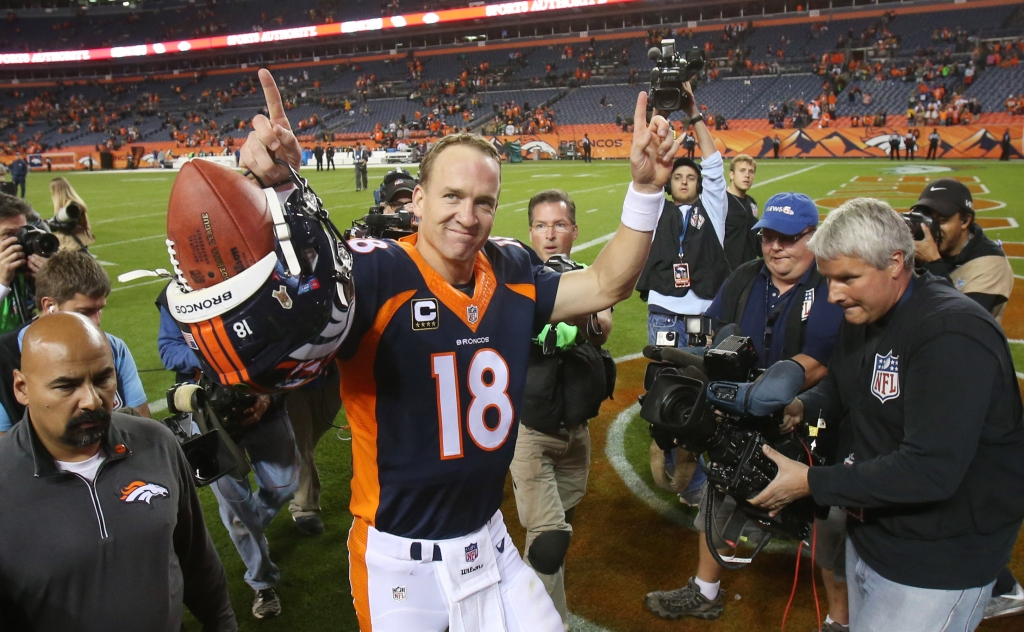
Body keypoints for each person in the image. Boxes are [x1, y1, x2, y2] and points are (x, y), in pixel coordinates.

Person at [237, 67, 677, 632]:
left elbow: (604, 285)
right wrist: (276, 186)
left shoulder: (512, 267)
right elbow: (286, 308)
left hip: (488, 540)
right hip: (400, 556)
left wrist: (644, 189)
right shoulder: (375, 272)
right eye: (451, 196)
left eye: (483, 202)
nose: (467, 217)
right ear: (417, 200)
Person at [750, 198, 1024, 632]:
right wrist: (802, 407)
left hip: (939, 557)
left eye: (847, 278)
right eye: (827, 279)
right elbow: (843, 389)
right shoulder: (867, 312)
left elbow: (930, 469)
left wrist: (810, 483)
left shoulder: (952, 334)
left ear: (896, 262)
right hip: (876, 531)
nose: (833, 294)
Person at [644, 193, 847, 630]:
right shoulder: (743, 277)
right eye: (768, 237)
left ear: (814, 237)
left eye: (789, 238)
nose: (776, 247)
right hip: (744, 418)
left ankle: (839, 620)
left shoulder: (831, 285)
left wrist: (780, 394)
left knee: (829, 526)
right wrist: (691, 359)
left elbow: (824, 360)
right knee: (720, 496)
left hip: (811, 421)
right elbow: (713, 331)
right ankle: (705, 591)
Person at [0, 313, 236, 632]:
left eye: (102, 379)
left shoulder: (157, 443)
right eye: (66, 385)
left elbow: (197, 560)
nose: (91, 400)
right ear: (22, 388)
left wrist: (223, 623)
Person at [156, 288, 300, 619]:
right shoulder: (174, 297)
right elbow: (169, 350)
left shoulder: (257, 281)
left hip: (261, 400)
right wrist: (215, 356)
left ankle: (250, 527)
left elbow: (283, 339)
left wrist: (270, 395)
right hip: (207, 415)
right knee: (235, 509)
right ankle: (261, 582)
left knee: (284, 485)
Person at [511, 189, 613, 631]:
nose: (550, 234)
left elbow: (601, 328)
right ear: (529, 231)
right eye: (540, 225)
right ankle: (549, 623)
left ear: (574, 230)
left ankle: (528, 600)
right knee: (548, 540)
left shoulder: (590, 279)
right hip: (529, 430)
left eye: (558, 225)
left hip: (575, 430)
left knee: (559, 532)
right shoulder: (513, 280)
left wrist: (579, 306)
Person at [636, 97, 727, 507]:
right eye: (679, 176)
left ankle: (702, 475)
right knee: (664, 390)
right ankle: (684, 473)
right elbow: (642, 189)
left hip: (701, 314)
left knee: (702, 392)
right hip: (664, 312)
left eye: (692, 176)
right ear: (671, 183)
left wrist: (694, 115)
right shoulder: (660, 215)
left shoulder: (714, 211)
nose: (686, 180)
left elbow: (715, 166)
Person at [0, 250, 151, 437]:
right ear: (49, 306)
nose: (96, 322)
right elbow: (5, 454)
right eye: (85, 311)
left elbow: (143, 428)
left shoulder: (113, 347)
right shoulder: (3, 358)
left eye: (99, 310)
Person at [910, 178, 1013, 322]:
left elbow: (961, 320)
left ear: (965, 220)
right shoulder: (921, 249)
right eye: (928, 219)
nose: (933, 228)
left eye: (942, 220)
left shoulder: (991, 263)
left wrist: (932, 263)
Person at [0, 193, 47, 333]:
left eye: (23, 233)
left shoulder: (19, 269)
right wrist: (1, 283)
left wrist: (52, 283)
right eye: (9, 234)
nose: (20, 241)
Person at [724, 154, 760, 270]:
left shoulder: (751, 203)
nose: (747, 175)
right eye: (742, 171)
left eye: (751, 172)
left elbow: (756, 237)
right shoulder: (721, 202)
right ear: (732, 175)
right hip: (728, 272)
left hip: (750, 270)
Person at [49, 177, 96, 252]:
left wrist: (51, 224)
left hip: (74, 244)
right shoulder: (68, 204)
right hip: (71, 244)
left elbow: (69, 226)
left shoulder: (72, 206)